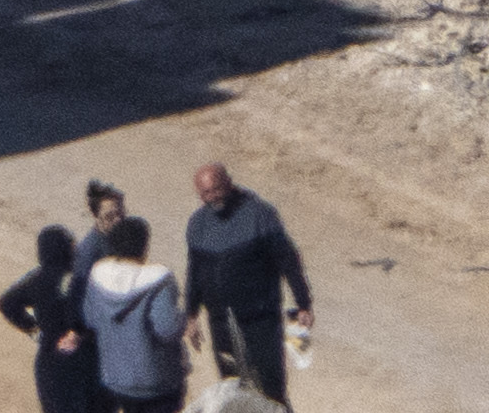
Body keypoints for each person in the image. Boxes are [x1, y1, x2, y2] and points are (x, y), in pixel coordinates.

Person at [182, 161, 312, 401]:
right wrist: (190, 315)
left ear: (229, 184)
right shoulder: (198, 224)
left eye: (216, 190)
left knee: (271, 391)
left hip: (260, 320)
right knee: (233, 393)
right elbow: (196, 272)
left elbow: (288, 261)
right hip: (221, 322)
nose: (212, 198)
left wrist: (303, 303)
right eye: (205, 193)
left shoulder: (260, 214)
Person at [75, 201, 190, 412]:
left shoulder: (98, 275)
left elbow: (90, 319)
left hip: (118, 380)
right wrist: (184, 318)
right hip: (157, 381)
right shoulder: (159, 280)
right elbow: (167, 328)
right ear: (144, 245)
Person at [0, 225, 102, 413]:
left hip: (51, 359)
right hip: (86, 357)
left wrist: (33, 328)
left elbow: (7, 303)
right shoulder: (85, 279)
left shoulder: (38, 279)